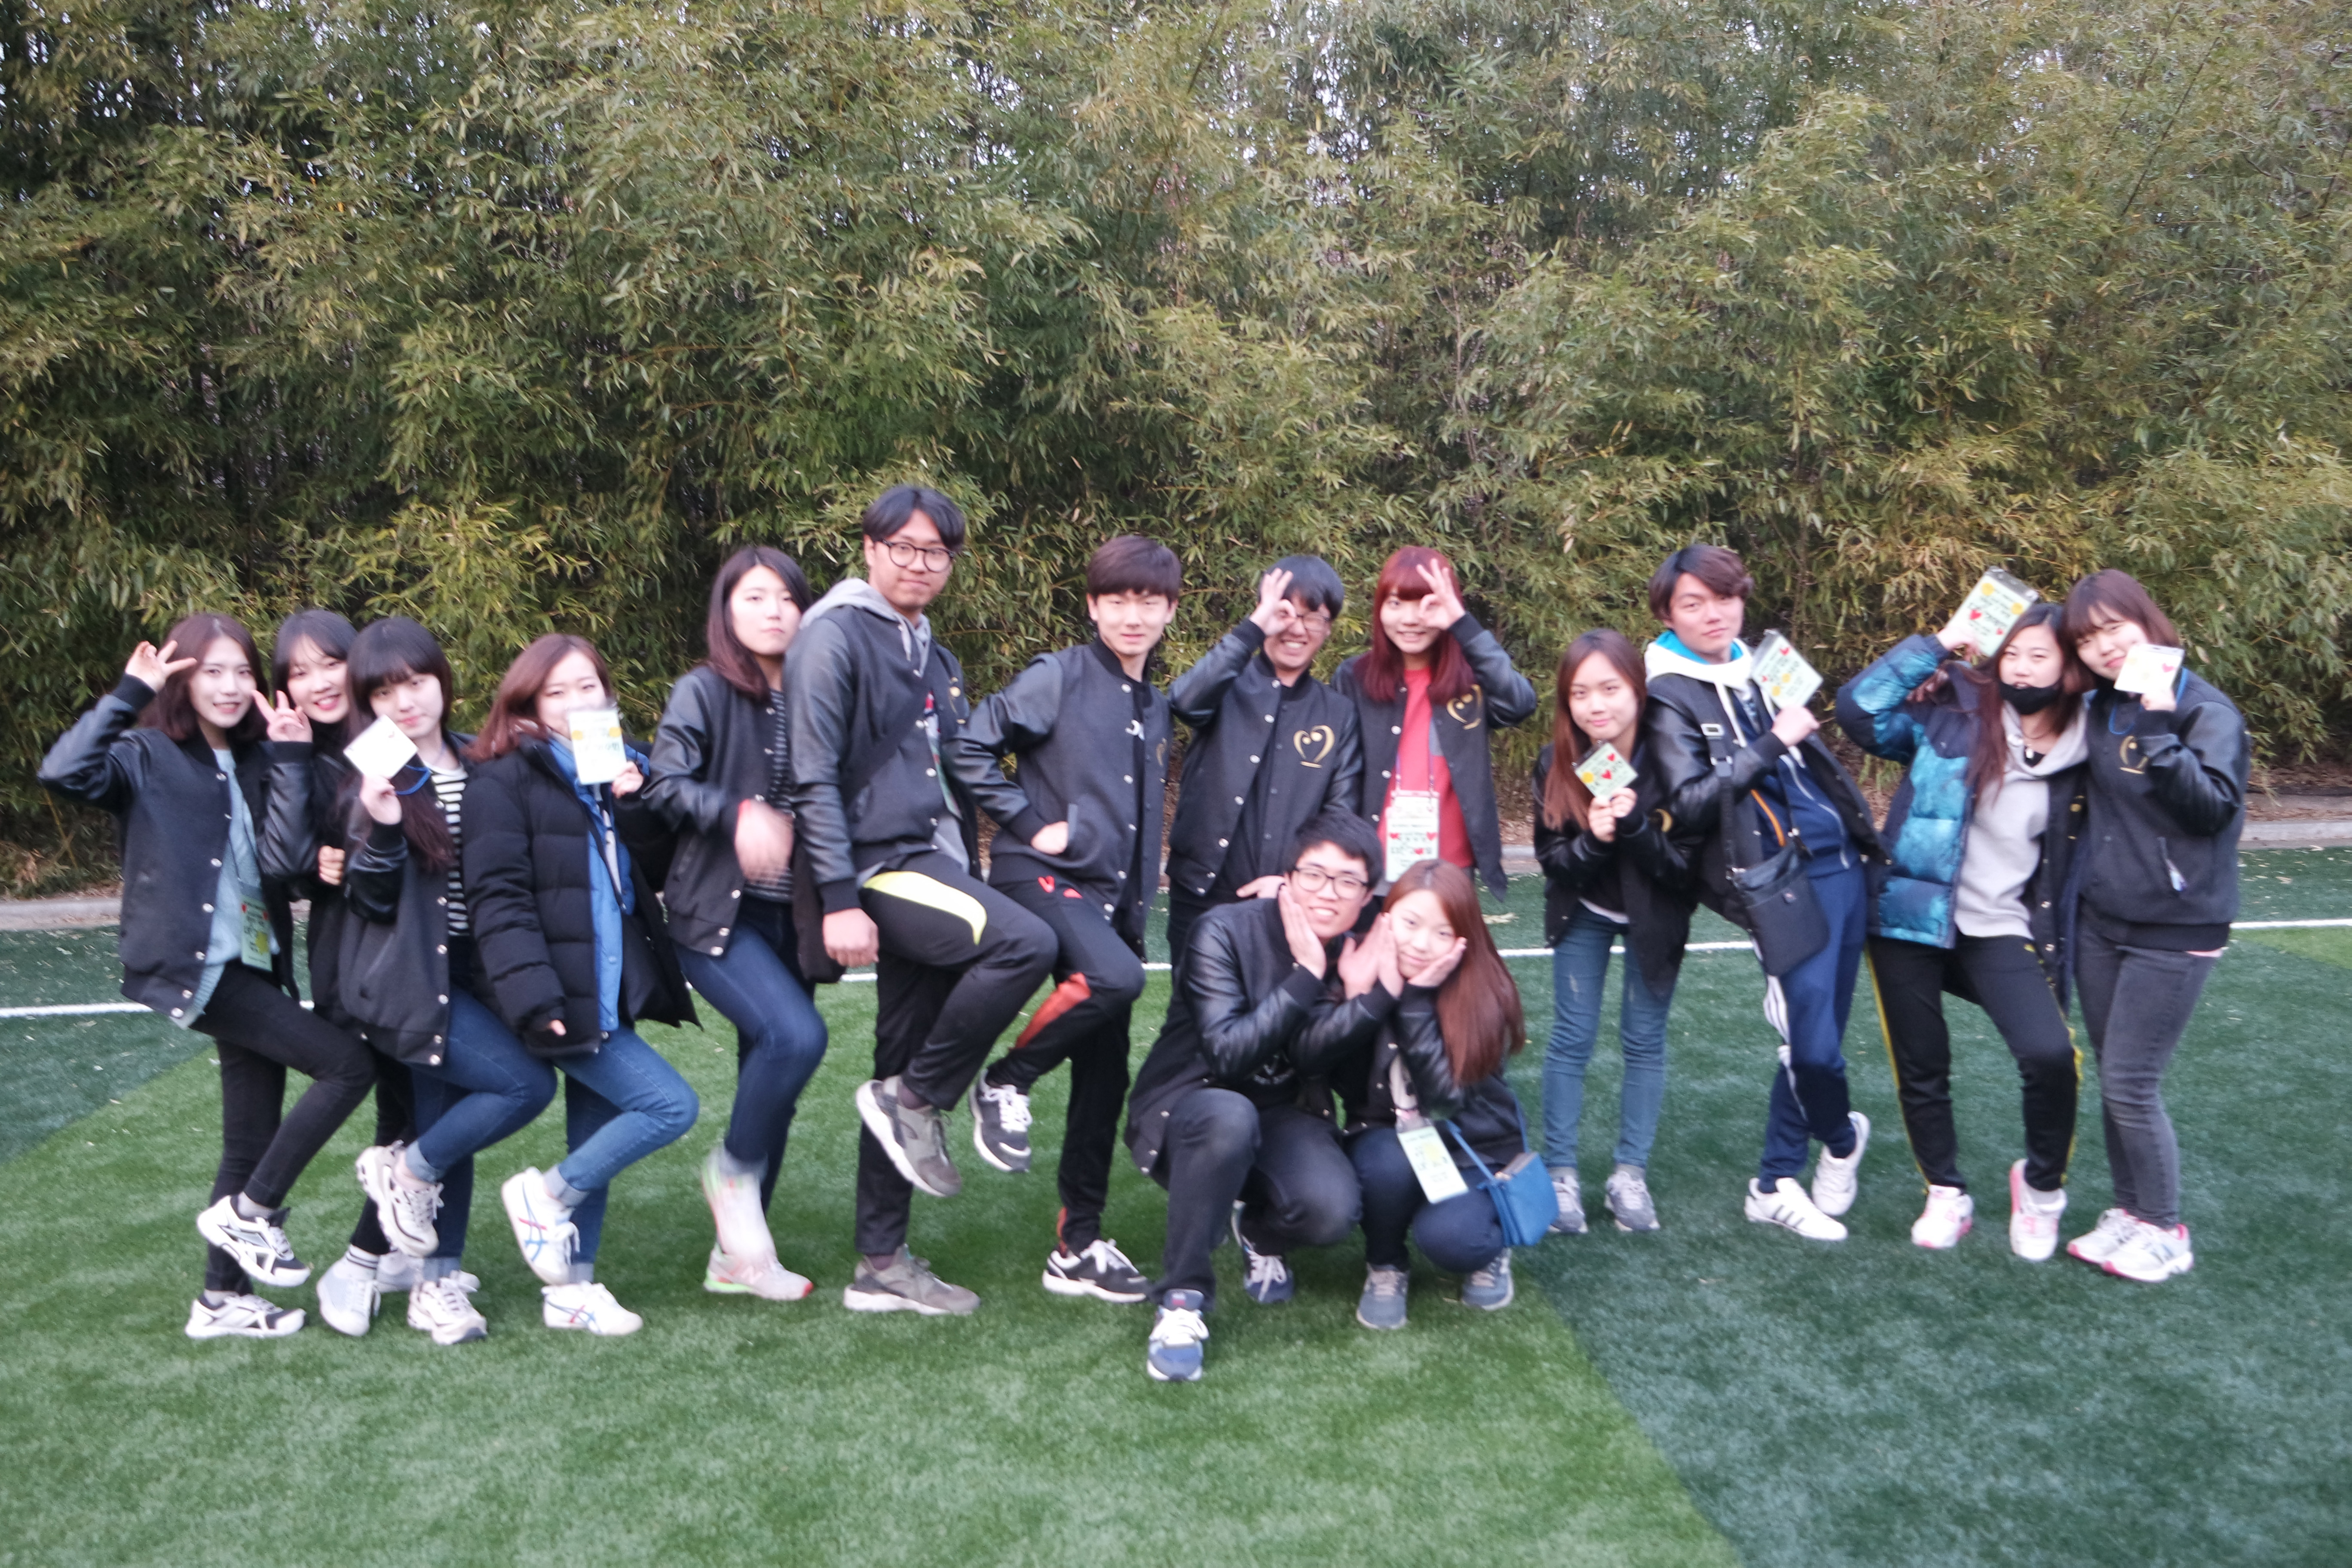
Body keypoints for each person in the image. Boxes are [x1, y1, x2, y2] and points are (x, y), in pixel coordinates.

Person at [40, 617, 373, 1339]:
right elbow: (63, 772)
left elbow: (288, 865)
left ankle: (221, 1300)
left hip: (257, 961)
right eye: (212, 672)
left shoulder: (259, 755)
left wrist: (292, 760)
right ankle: (250, 1214)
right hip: (197, 965)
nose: (229, 686)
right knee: (348, 1065)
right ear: (183, 681)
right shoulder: (146, 753)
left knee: (248, 1136)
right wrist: (130, 692)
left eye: (242, 672)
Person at [786, 485, 1056, 1316]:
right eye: (902, 546)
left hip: (934, 864)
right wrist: (838, 897)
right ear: (870, 548)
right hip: (878, 866)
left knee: (899, 1051)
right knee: (1024, 943)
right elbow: (812, 776)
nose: (919, 563)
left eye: (935, 551)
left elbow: (952, 769)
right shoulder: (833, 635)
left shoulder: (934, 653)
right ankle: (915, 1100)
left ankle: (881, 1263)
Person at [947, 535, 1182, 1304]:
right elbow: (968, 747)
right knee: (1114, 979)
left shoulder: (1155, 703)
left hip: (1111, 902)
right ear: (1092, 605)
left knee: (1105, 1076)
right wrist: (1026, 821)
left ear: (1170, 611)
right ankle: (1003, 1082)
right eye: (1117, 599)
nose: (1132, 615)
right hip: (1039, 875)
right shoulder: (1059, 673)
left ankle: (1077, 1246)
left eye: (1148, 600)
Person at [1642, 545, 1884, 1241]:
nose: (1713, 614)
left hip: (1843, 863)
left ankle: (1775, 1181)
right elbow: (1689, 803)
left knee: (1822, 1036)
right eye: (1692, 603)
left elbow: (1817, 755)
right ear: (1667, 615)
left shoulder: (1760, 664)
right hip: (1780, 884)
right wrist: (1773, 741)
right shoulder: (1667, 694)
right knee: (1810, 1047)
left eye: (1724, 598)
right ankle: (1840, 1136)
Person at [1837, 602, 2092, 1258]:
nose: (2022, 668)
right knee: (1922, 1063)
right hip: (1908, 914)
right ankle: (1946, 1191)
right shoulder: (1953, 709)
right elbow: (1859, 710)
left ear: (2069, 666)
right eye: (2013, 654)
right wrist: (1941, 644)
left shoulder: (2090, 745)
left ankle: (2041, 1188)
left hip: (1999, 924)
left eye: (2040, 655)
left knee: (2049, 1054)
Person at [328, 618, 558, 1344]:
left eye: (417, 682)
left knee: (444, 1130)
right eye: (384, 692)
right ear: (368, 704)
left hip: (480, 972)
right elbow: (368, 901)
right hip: (412, 980)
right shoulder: (371, 780)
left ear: (443, 681)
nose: (405, 701)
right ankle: (416, 1211)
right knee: (522, 1086)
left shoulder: (482, 760)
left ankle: (433, 1268)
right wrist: (383, 827)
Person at [470, 634, 702, 1336]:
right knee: (669, 1105)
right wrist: (533, 995)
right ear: (529, 702)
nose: (577, 702)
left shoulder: (618, 767)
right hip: (559, 990)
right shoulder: (505, 779)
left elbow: (653, 872)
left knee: (596, 1127)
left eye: (588, 687)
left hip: (610, 985)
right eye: (558, 692)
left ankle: (572, 1289)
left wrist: (634, 804)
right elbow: (499, 899)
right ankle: (544, 1196)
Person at [1124, 811, 1393, 1382]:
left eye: (1348, 881)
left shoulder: (1354, 953)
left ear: (1367, 896)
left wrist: (1364, 998)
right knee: (1230, 1115)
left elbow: (1317, 1063)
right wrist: (1307, 975)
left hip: (1283, 1111)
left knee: (1330, 1212)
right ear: (1288, 878)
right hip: (1191, 1106)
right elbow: (1227, 1055)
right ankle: (1181, 1302)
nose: (1328, 893)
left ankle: (1258, 1231)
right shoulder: (1223, 930)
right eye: (1315, 875)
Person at [646, 546, 830, 1304]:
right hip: (717, 912)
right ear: (726, 610)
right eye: (754, 596)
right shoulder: (704, 690)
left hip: (798, 915)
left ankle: (739, 1258)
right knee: (796, 1038)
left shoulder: (822, 691)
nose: (774, 610)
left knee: (773, 1075)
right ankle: (732, 1170)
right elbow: (665, 781)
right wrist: (739, 812)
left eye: (787, 597)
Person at [2058, 571, 2245, 1283]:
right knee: (2115, 1077)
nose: (2104, 647)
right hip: (2103, 919)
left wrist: (2160, 724)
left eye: (2114, 628)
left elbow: (2211, 810)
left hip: (2177, 924)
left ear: (2146, 621)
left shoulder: (2204, 709)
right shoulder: (2102, 705)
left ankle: (2166, 1230)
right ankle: (2131, 1212)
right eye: (2088, 639)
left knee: (2132, 1082)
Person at [1531, 629, 1695, 1236]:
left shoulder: (1676, 756)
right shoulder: (1557, 761)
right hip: (1584, 910)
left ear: (1638, 690)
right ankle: (1561, 1176)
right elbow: (1554, 864)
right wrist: (1595, 841)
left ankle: (1630, 1175)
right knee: (1571, 1037)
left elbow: (1683, 871)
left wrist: (1634, 829)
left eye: (1610, 689)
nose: (1595, 706)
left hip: (1655, 915)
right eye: (1580, 693)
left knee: (1644, 1041)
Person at [1339, 860, 1529, 1331]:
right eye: (1410, 923)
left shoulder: (1484, 992)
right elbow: (1338, 1078)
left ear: (1464, 939)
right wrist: (1357, 998)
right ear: (1386, 918)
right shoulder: (1362, 967)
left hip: (1473, 1145)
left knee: (1452, 1239)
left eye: (1443, 932)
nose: (1422, 944)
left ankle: (1491, 1244)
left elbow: (1445, 1102)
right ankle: (1386, 1263)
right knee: (1385, 1163)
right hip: (1390, 1135)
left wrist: (1416, 1003)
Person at [1162, 557, 1364, 971]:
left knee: (1278, 1008)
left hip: (1285, 901)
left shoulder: (1338, 713)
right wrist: (1252, 628)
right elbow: (1183, 701)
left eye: (1313, 618)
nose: (1297, 629)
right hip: (1199, 892)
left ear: (1328, 628)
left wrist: (1292, 882)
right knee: (1191, 1007)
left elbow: (1339, 815)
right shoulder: (1224, 686)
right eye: (1285, 613)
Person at [1334, 546, 1536, 894]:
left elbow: (1519, 703)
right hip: (1371, 868)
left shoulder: (1473, 680)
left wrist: (1462, 624)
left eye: (1426, 604)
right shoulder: (1354, 678)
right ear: (1379, 609)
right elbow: (1338, 775)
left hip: (1450, 870)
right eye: (1396, 603)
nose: (1410, 619)